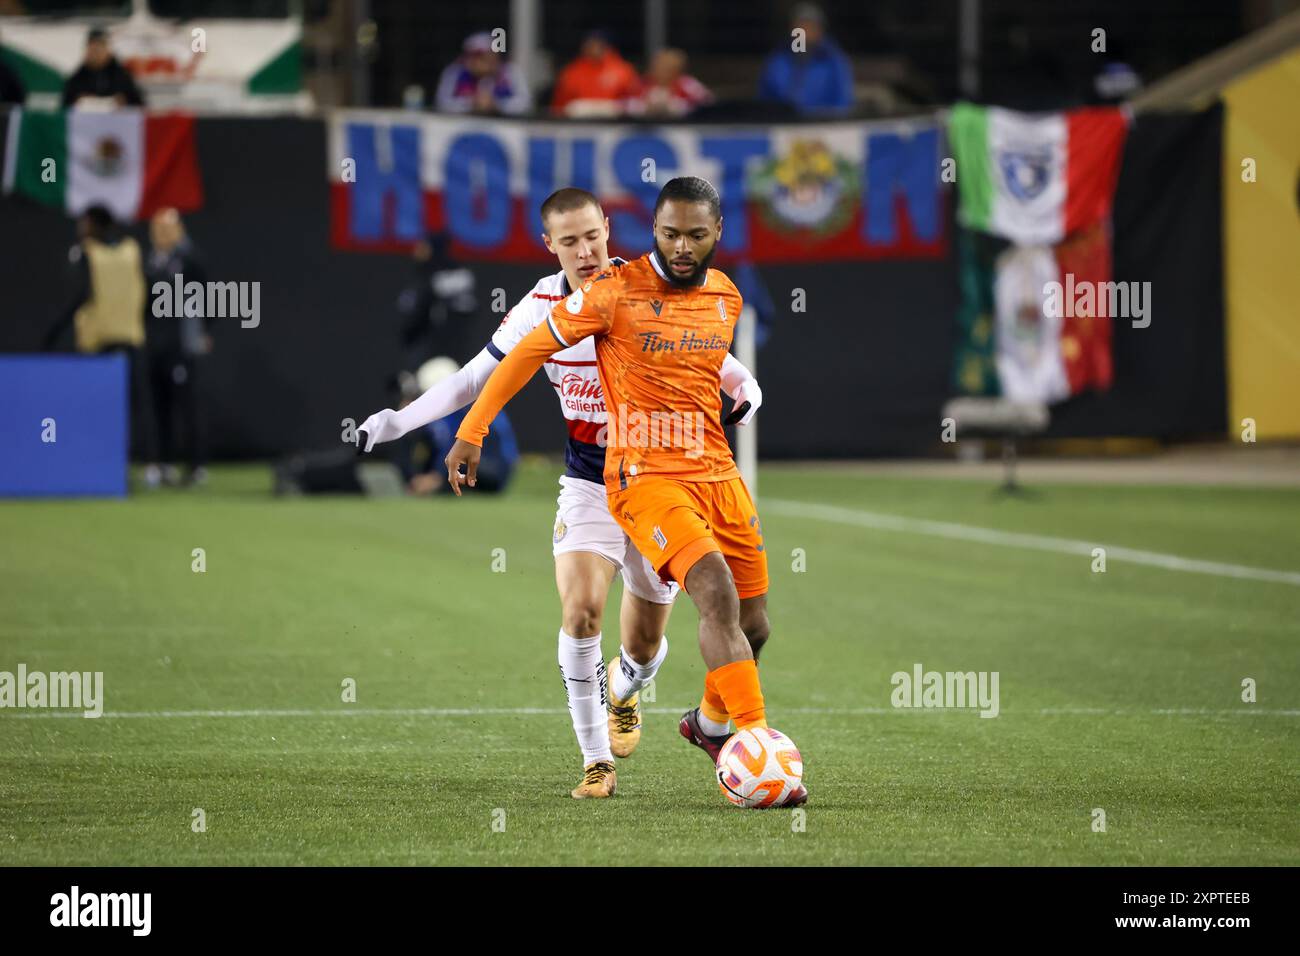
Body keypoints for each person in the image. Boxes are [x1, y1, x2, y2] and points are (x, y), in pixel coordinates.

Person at [357, 187, 764, 799]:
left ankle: (627, 688)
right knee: (581, 612)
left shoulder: (641, 284)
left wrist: (746, 381)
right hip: (591, 482)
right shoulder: (541, 306)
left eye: (594, 235)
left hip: (668, 478)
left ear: (609, 228)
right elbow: (477, 375)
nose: (585, 250)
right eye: (569, 241)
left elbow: (703, 352)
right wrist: (402, 421)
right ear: (550, 246)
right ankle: (597, 761)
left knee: (646, 644)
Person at [444, 177, 807, 807]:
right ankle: (754, 748)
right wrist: (472, 429)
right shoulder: (613, 293)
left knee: (753, 624)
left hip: (716, 477)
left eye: (696, 234)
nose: (682, 247)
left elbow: (714, 372)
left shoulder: (726, 297)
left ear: (718, 233)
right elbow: (528, 349)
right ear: (651, 231)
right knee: (698, 594)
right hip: (639, 478)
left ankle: (708, 723)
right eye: (669, 234)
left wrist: (743, 398)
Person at [45, 204, 160, 486]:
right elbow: (146, 290)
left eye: (85, 223)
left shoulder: (88, 253)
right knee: (140, 404)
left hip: (99, 341)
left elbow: (80, 295)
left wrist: (53, 332)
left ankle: (96, 463)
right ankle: (151, 466)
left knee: (93, 405)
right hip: (131, 336)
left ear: (95, 224)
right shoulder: (133, 250)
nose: (81, 228)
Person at [145, 208, 210, 486]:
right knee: (160, 407)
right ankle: (165, 463)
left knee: (187, 406)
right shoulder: (150, 261)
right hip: (154, 345)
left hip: (180, 346)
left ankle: (195, 466)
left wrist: (204, 331)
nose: (160, 233)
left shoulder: (188, 260)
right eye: (157, 228)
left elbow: (207, 296)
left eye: (167, 228)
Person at [397, 232, 478, 371]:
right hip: (449, 353)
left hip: (436, 353)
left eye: (423, 247)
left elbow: (418, 315)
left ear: (433, 249)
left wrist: (409, 332)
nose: (417, 251)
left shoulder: (433, 278)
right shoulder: (460, 274)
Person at [757, 3, 853, 116]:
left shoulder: (835, 62)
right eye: (799, 27)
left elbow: (843, 104)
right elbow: (764, 100)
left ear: (820, 30)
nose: (804, 32)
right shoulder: (777, 60)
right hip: (783, 124)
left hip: (825, 126)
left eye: (809, 26)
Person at [435, 32, 531, 116]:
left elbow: (525, 104)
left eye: (488, 55)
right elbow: (442, 103)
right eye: (476, 56)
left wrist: (496, 105)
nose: (484, 61)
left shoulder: (511, 71)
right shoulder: (455, 72)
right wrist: (471, 103)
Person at [550, 30, 641, 118]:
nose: (594, 48)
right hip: (579, 125)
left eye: (598, 44)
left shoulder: (623, 70)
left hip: (616, 124)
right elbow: (560, 105)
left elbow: (634, 102)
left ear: (607, 46)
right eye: (590, 44)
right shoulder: (572, 71)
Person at [62, 28, 144, 109]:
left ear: (108, 50)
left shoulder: (122, 76)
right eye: (93, 48)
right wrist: (77, 103)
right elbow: (63, 109)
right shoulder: (76, 78)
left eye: (100, 47)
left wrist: (125, 102)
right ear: (87, 50)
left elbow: (140, 107)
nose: (96, 53)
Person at [630, 49, 713, 118]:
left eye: (666, 68)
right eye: (658, 66)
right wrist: (644, 107)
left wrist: (675, 106)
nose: (660, 71)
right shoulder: (641, 84)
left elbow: (707, 105)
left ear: (677, 70)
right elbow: (623, 104)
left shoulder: (688, 84)